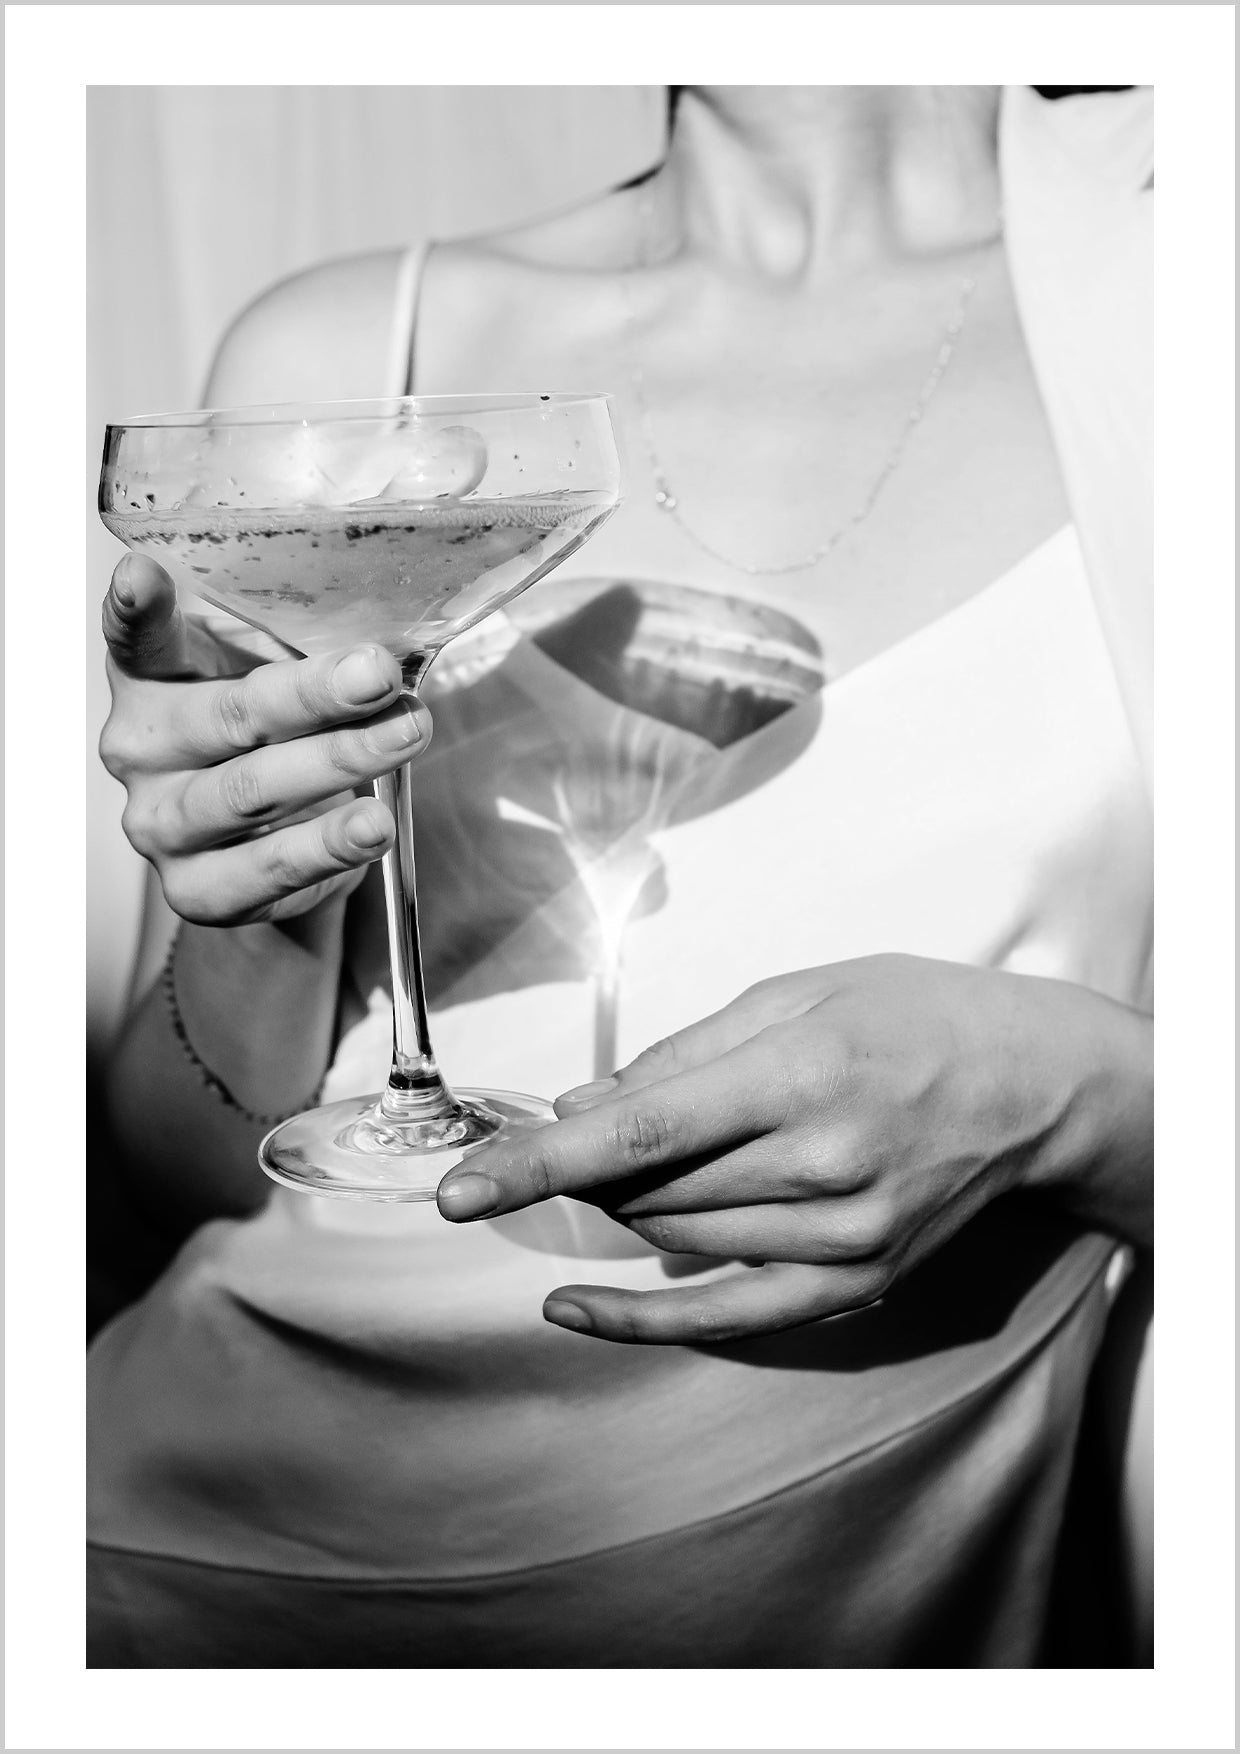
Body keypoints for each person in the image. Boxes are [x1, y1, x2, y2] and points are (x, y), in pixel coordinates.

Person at [89, 85, 1153, 1666]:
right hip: (172, 1556)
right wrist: (250, 904)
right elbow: (193, 1163)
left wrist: (1078, 1092)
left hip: (823, 1592)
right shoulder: (346, 355)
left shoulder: (1156, 265)